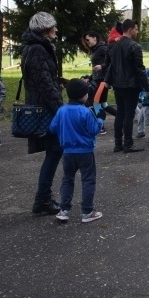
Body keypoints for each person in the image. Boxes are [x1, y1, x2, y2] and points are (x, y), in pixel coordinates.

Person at [21, 11, 65, 215]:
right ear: (46, 30)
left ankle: (44, 198)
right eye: (54, 27)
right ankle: (42, 200)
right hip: (45, 108)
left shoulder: (34, 47)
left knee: (54, 151)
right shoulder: (38, 48)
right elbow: (44, 82)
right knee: (55, 151)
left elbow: (44, 78)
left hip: (42, 105)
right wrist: (60, 110)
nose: (56, 29)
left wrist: (59, 83)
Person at [50, 78, 105, 224]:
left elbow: (52, 128)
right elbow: (94, 130)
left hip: (67, 152)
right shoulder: (85, 112)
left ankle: (64, 210)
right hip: (85, 151)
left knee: (67, 179)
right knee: (88, 180)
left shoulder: (61, 110)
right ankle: (87, 211)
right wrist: (100, 120)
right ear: (83, 95)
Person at [105, 18, 149, 153]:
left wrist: (107, 81)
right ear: (130, 29)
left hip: (118, 84)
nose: (137, 32)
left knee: (120, 113)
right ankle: (128, 144)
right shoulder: (134, 46)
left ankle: (118, 144)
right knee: (128, 116)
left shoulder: (113, 46)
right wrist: (147, 87)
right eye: (136, 29)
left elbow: (111, 67)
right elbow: (140, 69)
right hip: (131, 85)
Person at [84, 30, 116, 130]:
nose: (87, 42)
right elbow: (96, 68)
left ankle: (100, 127)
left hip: (103, 80)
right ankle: (121, 117)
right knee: (103, 104)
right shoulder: (95, 50)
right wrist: (89, 78)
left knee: (96, 102)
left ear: (95, 38)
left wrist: (102, 67)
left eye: (88, 40)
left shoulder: (103, 48)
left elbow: (111, 62)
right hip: (98, 79)